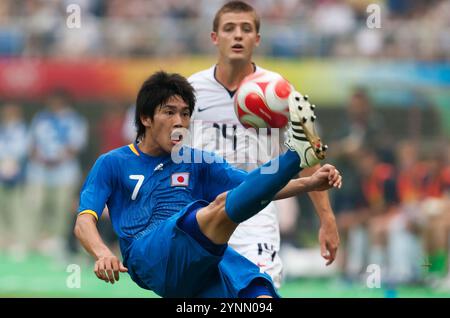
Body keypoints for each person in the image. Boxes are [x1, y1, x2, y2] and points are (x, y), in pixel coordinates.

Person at [74, 71, 341, 298]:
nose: (180, 121)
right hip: (149, 255)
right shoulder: (112, 163)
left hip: (201, 258)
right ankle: (294, 155)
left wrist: (309, 183)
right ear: (145, 118)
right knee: (220, 205)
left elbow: (254, 188)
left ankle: (295, 157)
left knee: (260, 296)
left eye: (185, 113)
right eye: (169, 112)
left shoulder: (198, 162)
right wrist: (102, 253)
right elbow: (84, 222)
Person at [188, 0, 338, 287]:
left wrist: (327, 218)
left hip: (256, 216)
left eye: (246, 29)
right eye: (229, 28)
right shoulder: (190, 90)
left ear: (257, 38)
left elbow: (309, 157)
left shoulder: (282, 91)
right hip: (202, 212)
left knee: (260, 295)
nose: (238, 35)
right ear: (214, 37)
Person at [26, 90, 88, 258]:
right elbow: (31, 142)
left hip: (64, 172)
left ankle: (58, 240)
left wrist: (57, 158)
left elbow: (77, 145)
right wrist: (39, 156)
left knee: (61, 207)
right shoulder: (40, 118)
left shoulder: (75, 120)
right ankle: (36, 239)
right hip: (39, 170)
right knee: (37, 205)